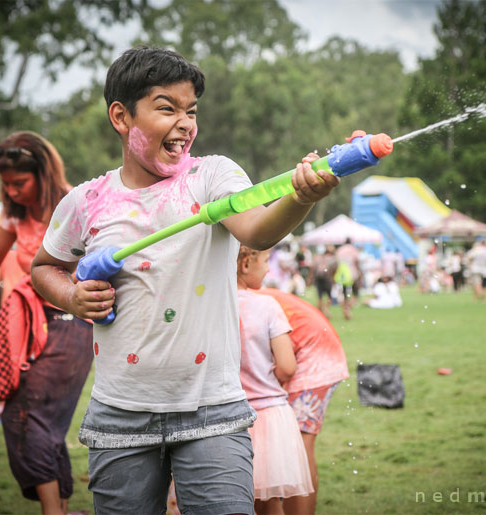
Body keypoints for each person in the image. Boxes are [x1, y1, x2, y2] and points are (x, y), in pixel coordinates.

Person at [30, 46, 338, 513]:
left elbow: (257, 227)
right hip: (120, 416)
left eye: (191, 111)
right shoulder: (86, 201)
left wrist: (301, 199)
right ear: (121, 116)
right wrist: (72, 296)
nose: (185, 123)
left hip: (213, 409)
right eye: (166, 108)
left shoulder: (212, 176)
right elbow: (43, 268)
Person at [0, 131, 94, 514]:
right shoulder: (14, 213)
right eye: (6, 184)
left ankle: (52, 511)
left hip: (67, 323)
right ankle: (58, 504)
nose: (12, 191)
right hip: (23, 326)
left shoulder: (75, 203)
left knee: (26, 414)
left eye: (19, 182)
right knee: (42, 419)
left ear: (43, 172)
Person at [256, 287, 349, 515]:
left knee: (299, 448)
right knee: (274, 448)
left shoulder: (248, 297)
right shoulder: (250, 293)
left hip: (316, 359)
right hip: (304, 355)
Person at [237, 247, 313, 513]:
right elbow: (287, 366)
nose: (269, 269)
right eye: (266, 261)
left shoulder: (209, 304)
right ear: (246, 264)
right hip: (268, 418)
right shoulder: (267, 305)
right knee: (270, 505)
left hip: (227, 416)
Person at [309, 246, 337, 319]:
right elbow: (335, 269)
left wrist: (310, 278)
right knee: (329, 297)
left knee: (320, 297)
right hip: (327, 279)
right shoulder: (332, 259)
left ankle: (319, 312)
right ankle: (325, 309)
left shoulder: (318, 259)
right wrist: (333, 278)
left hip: (318, 279)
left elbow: (313, 269)